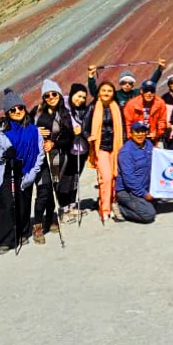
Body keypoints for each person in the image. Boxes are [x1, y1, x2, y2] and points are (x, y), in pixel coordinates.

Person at [0, 89, 44, 253]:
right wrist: (3, 155)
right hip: (5, 172)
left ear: (24, 109)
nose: (17, 112)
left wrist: (32, 173)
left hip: (25, 171)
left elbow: (40, 154)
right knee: (6, 205)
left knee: (23, 204)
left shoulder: (34, 130)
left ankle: (22, 232)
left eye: (20, 108)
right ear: (7, 112)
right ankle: (5, 240)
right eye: (13, 110)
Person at [30, 79, 74, 244]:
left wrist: (54, 143)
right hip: (40, 159)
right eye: (47, 95)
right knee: (43, 191)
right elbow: (25, 128)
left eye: (53, 94)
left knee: (53, 188)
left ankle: (52, 219)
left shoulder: (64, 113)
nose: (50, 97)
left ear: (59, 94)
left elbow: (69, 136)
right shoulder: (38, 113)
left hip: (57, 157)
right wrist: (35, 131)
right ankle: (37, 225)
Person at [87, 80, 124, 223]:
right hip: (101, 147)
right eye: (103, 90)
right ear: (99, 93)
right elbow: (85, 126)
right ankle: (105, 208)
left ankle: (112, 203)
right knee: (106, 178)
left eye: (109, 91)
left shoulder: (116, 107)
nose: (106, 93)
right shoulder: (93, 107)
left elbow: (122, 128)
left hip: (115, 147)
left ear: (113, 93)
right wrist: (88, 136)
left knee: (115, 177)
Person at [115, 121, 156, 223]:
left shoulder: (149, 144)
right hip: (128, 190)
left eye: (143, 131)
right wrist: (143, 193)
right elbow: (129, 179)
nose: (140, 134)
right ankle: (120, 208)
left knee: (158, 202)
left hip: (144, 186)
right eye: (137, 131)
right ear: (131, 133)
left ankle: (141, 203)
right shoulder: (126, 152)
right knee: (149, 215)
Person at [63, 83, 92, 222]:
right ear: (72, 94)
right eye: (78, 96)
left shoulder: (84, 111)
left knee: (75, 178)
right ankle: (63, 209)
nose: (80, 100)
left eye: (83, 97)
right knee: (66, 179)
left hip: (82, 150)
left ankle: (72, 205)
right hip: (68, 149)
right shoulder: (64, 108)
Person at [87, 60, 166, 111]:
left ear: (133, 84)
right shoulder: (115, 95)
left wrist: (159, 69)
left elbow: (150, 84)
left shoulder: (137, 93)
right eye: (124, 82)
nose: (127, 85)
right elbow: (96, 94)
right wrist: (91, 77)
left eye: (130, 83)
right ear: (120, 83)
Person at [123, 80, 167, 146]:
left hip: (153, 138)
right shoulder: (132, 104)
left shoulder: (160, 103)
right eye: (146, 90)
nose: (149, 93)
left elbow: (162, 121)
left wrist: (157, 134)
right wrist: (132, 137)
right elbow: (128, 124)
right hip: (136, 138)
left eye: (152, 90)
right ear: (141, 91)